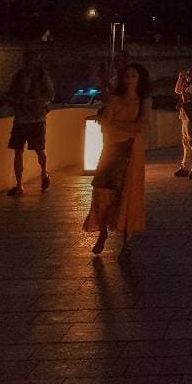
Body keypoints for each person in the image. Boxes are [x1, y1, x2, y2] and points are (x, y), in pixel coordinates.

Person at [83, 62, 151, 257]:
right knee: (101, 192)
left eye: (134, 76)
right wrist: (125, 126)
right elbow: (105, 123)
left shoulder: (143, 101)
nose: (130, 79)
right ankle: (103, 231)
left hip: (131, 152)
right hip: (111, 150)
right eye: (127, 75)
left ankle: (126, 241)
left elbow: (141, 126)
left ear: (140, 79)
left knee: (127, 194)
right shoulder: (115, 99)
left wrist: (117, 124)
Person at [6, 51, 54, 196]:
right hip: (21, 118)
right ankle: (19, 185)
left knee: (39, 149)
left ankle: (44, 173)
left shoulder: (41, 75)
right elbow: (10, 93)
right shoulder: (18, 76)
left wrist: (35, 101)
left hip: (35, 118)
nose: (28, 62)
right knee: (18, 151)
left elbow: (50, 94)